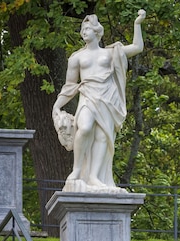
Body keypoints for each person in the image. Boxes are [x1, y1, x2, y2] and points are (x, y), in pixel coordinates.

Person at [52, 10, 146, 192]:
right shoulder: (76, 58)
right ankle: (77, 171)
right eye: (82, 29)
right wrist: (57, 105)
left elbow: (137, 47)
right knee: (85, 127)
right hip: (88, 96)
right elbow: (70, 86)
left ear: (97, 32)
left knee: (103, 136)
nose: (84, 32)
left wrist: (137, 24)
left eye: (87, 29)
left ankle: (94, 177)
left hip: (107, 98)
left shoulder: (111, 53)